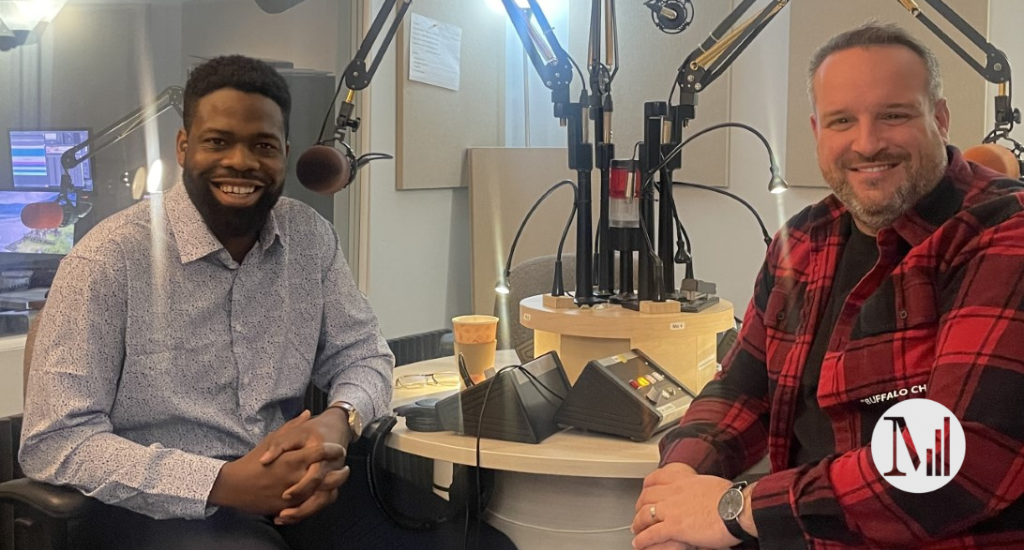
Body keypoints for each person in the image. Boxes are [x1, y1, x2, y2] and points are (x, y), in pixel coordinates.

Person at [20, 55, 514, 550]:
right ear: (184, 147)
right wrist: (223, 484)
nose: (241, 161)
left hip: (301, 488)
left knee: (480, 543)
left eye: (263, 145)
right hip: (162, 510)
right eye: (218, 141)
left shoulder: (310, 238)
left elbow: (363, 354)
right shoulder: (109, 259)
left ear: (284, 154)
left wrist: (339, 421)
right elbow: (56, 441)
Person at [631, 23, 1024, 550]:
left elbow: (957, 462)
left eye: (894, 115)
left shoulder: (1004, 231)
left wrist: (733, 509)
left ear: (940, 118)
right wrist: (678, 483)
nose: (866, 142)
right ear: (818, 130)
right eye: (843, 121)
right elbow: (741, 391)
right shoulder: (801, 241)